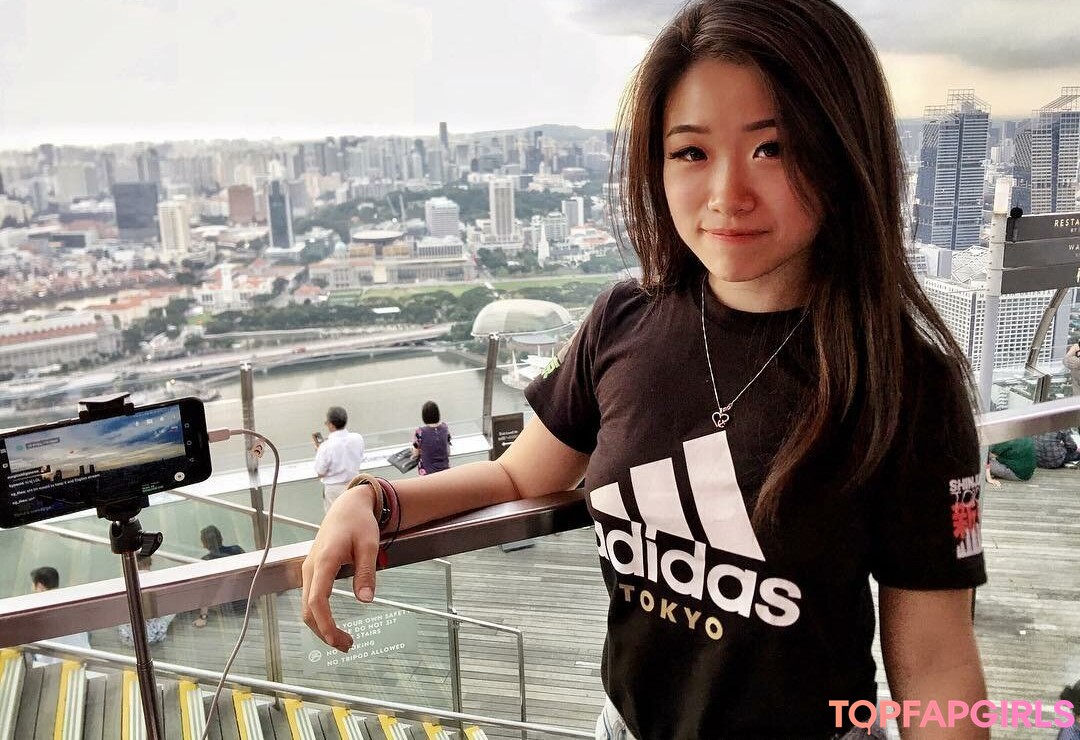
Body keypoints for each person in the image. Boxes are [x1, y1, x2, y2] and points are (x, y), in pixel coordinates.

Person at [301, 1, 988, 737]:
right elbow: (518, 477)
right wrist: (375, 500)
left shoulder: (902, 381)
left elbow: (935, 664)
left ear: (846, 152)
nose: (727, 195)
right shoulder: (625, 320)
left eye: (773, 148)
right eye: (691, 152)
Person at [29, 567, 91, 665]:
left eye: (33, 585)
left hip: (59, 660)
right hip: (83, 655)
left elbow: (45, 652)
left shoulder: (42, 609)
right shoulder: (69, 600)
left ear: (40, 586)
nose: (32, 588)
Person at [312, 405, 366, 513]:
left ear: (331, 424)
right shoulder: (357, 438)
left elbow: (320, 472)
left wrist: (319, 451)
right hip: (354, 485)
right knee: (354, 514)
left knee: (335, 517)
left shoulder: (326, 447)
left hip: (334, 490)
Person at [193, 525, 246, 628]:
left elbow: (207, 591)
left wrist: (203, 617)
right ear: (221, 538)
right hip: (246, 602)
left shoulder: (206, 561)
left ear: (204, 544)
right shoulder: (237, 550)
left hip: (230, 608)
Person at [118, 555, 175, 646]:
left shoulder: (125, 580)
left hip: (129, 634)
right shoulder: (153, 579)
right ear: (149, 563)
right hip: (153, 633)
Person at [412, 401, 451, 476]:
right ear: (438, 414)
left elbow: (415, 454)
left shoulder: (420, 432)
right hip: (445, 470)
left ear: (424, 416)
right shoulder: (445, 428)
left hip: (427, 472)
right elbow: (448, 452)